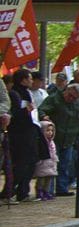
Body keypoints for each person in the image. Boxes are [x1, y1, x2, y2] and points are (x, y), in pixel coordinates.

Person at [39, 82, 79, 197]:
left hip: (70, 137)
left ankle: (62, 188)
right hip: (55, 137)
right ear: (66, 90)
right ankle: (48, 190)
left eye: (74, 97)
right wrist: (44, 117)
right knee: (51, 165)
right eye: (70, 95)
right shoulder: (54, 98)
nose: (71, 99)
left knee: (65, 165)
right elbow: (41, 110)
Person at [3, 69, 41, 202]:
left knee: (31, 162)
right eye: (29, 78)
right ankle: (9, 192)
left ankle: (23, 191)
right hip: (20, 133)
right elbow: (14, 113)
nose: (31, 81)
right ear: (23, 80)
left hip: (30, 130)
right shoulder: (15, 94)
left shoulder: (27, 93)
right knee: (20, 163)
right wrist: (25, 110)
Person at [33, 120, 58, 200]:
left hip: (51, 163)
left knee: (49, 178)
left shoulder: (52, 142)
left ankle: (46, 191)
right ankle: (39, 191)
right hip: (43, 162)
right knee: (41, 178)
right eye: (47, 130)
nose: (50, 132)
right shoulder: (40, 142)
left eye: (51, 130)